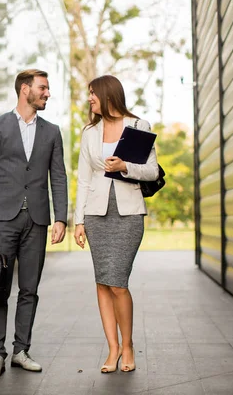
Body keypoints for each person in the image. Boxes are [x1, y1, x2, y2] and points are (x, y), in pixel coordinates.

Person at [0, 68, 68, 379]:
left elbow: (58, 177)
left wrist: (61, 218)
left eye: (48, 88)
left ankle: (21, 350)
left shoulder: (52, 132)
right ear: (24, 89)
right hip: (2, 219)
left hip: (37, 220)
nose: (47, 93)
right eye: (43, 87)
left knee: (30, 288)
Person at [73, 75, 159, 373]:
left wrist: (124, 167)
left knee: (118, 283)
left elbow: (151, 171)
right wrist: (78, 221)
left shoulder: (138, 126)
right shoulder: (89, 133)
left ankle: (128, 345)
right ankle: (112, 349)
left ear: (108, 95)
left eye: (93, 94)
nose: (89, 99)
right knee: (101, 282)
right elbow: (83, 179)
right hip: (96, 215)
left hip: (128, 215)